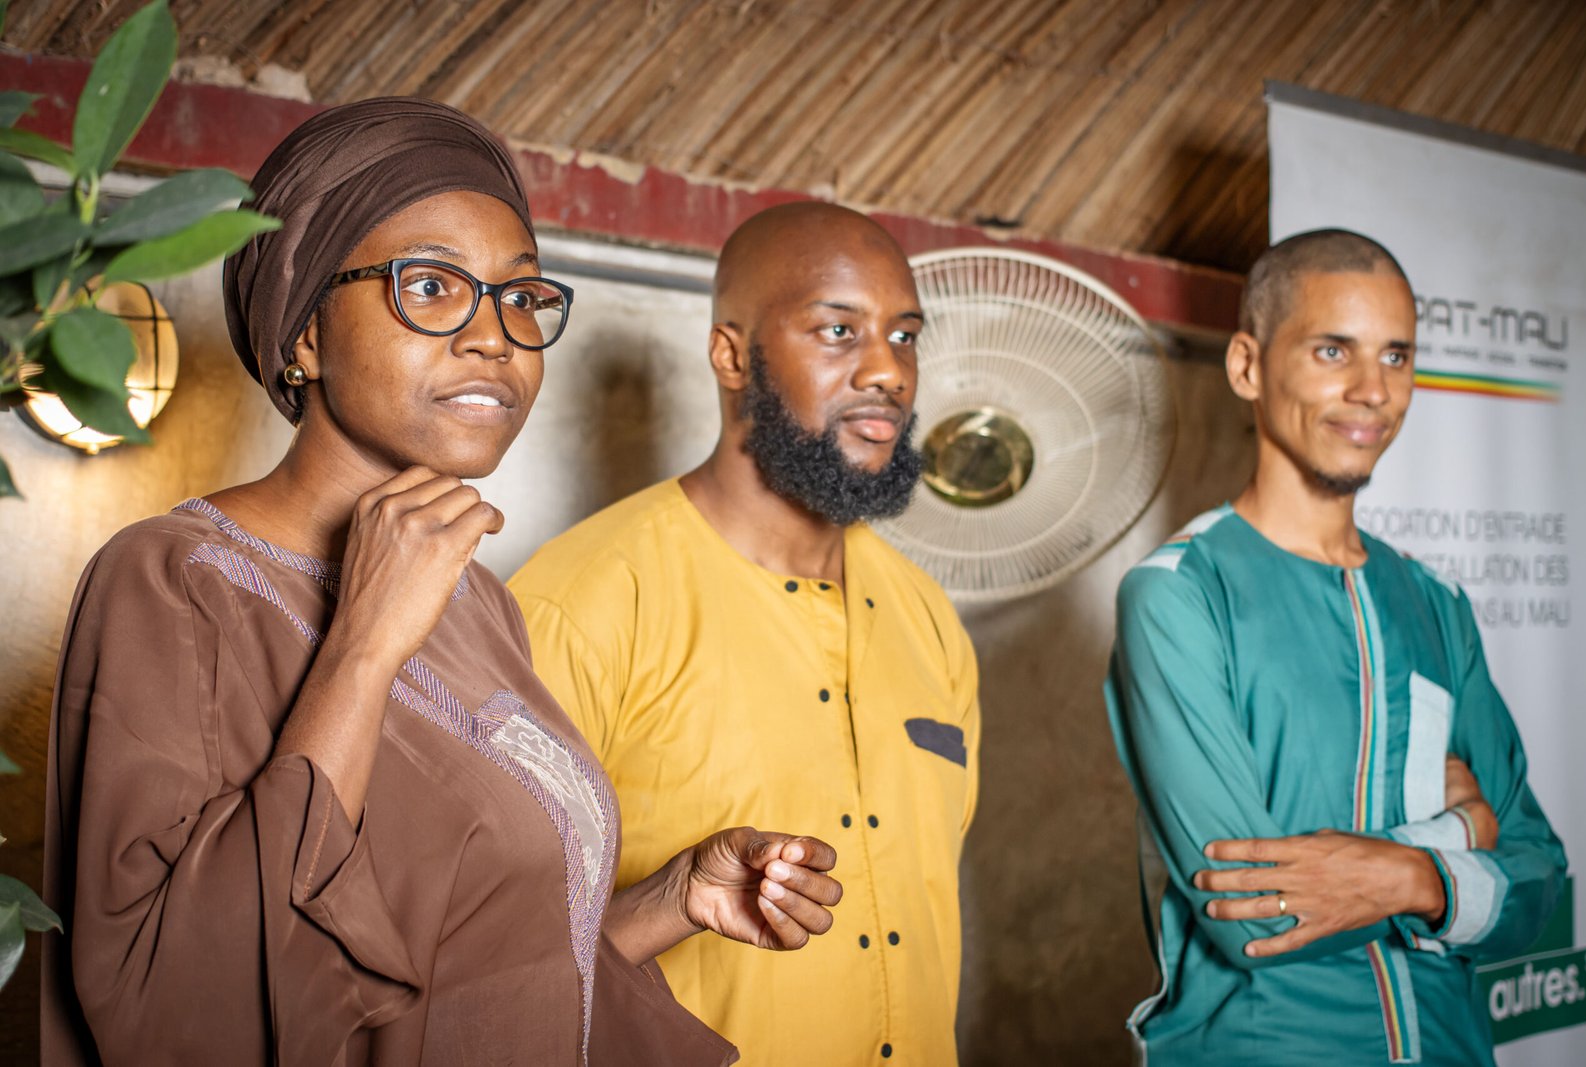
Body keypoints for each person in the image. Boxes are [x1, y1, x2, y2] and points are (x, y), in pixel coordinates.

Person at [41, 98, 845, 1066]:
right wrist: (362, 646)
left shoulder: (480, 602)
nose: (494, 336)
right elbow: (175, 1009)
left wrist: (671, 897)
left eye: (521, 296)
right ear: (304, 332)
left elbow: (473, 982)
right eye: (429, 285)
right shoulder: (177, 581)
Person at [508, 202, 979, 1065]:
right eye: (838, 330)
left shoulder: (928, 619)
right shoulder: (582, 602)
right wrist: (669, 898)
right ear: (730, 354)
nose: (888, 369)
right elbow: (483, 971)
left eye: (905, 336)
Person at [1104, 229, 1567, 1065]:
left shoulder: (1437, 604)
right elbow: (1258, 915)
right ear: (1247, 366)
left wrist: (1408, 877)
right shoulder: (1177, 593)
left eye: (1396, 356)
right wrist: (1462, 834)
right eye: (1333, 350)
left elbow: (1539, 882)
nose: (1372, 390)